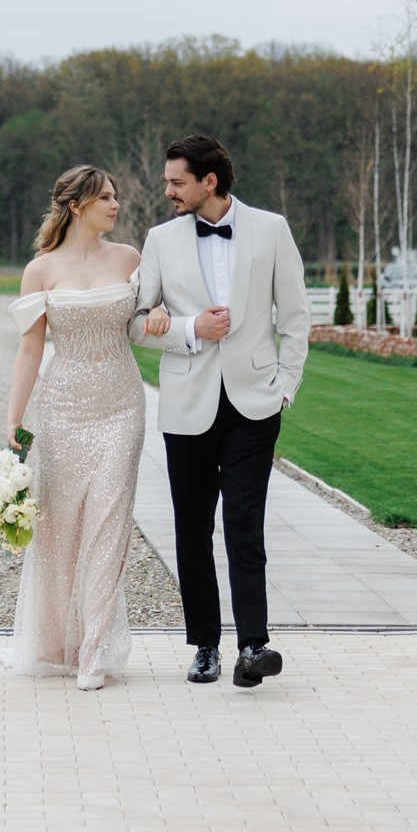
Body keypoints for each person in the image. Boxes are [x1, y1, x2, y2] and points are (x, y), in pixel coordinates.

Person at [128, 134, 310, 688]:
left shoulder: (271, 229)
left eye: (176, 182)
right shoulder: (160, 239)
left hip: (255, 402)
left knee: (244, 525)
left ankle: (253, 645)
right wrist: (188, 329)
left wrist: (285, 386)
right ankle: (204, 645)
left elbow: (296, 316)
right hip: (186, 404)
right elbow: (135, 322)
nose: (168, 191)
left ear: (210, 181)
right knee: (191, 527)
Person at [0, 165, 167, 690]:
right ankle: (58, 641)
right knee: (62, 529)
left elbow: (150, 312)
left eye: (115, 197)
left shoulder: (130, 259)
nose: (116, 205)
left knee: (110, 520)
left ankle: (95, 650)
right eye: (106, 198)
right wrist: (14, 419)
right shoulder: (40, 270)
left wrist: (157, 311)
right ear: (76, 206)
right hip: (63, 408)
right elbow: (30, 348)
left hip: (122, 405)